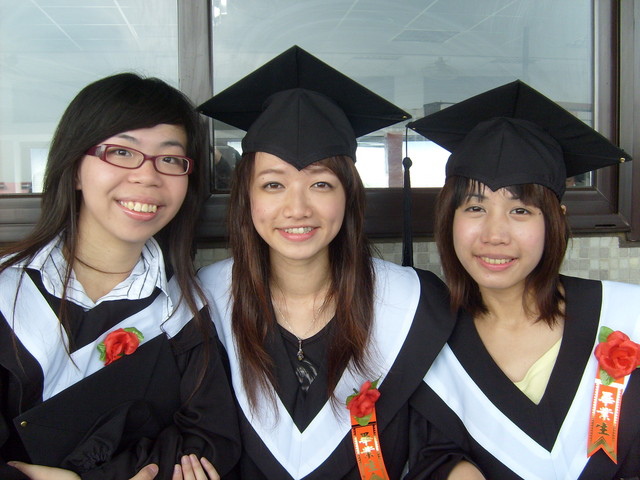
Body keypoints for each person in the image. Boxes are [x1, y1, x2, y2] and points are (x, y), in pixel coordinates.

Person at [197, 46, 456, 479]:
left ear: (349, 195)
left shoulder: (416, 305)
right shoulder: (203, 305)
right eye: (273, 184)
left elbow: (438, 446)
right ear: (247, 197)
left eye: (320, 184)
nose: (297, 209)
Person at [0, 73, 240, 479]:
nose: (147, 176)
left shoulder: (185, 309)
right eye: (122, 152)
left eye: (170, 159)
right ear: (75, 169)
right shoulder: (9, 294)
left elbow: (209, 441)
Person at [404, 80, 639, 479]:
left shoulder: (627, 317)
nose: (495, 234)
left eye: (521, 211)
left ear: (555, 220)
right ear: (449, 218)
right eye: (475, 207)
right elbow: (433, 454)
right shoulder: (429, 345)